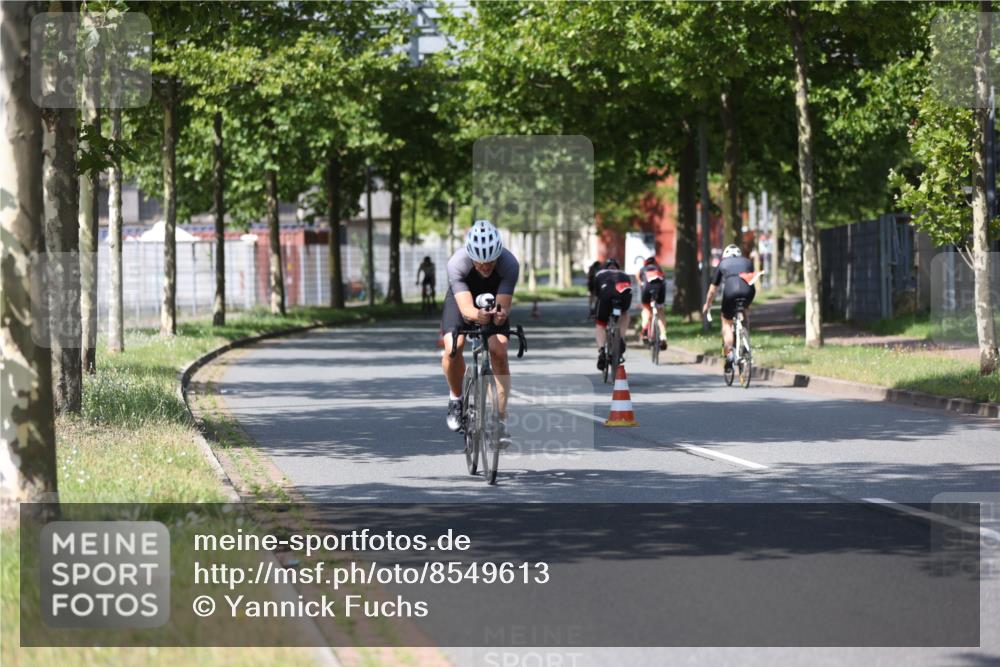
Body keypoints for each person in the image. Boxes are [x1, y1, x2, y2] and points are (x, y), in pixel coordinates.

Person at [441, 220, 520, 446]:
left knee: (499, 352)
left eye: (490, 262)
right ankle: (456, 398)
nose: (485, 267)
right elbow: (466, 309)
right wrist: (478, 316)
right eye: (480, 262)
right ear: (470, 255)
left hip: (493, 298)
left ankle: (499, 421)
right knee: (452, 348)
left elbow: (504, 305)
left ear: (498, 255)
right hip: (461, 300)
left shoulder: (509, 264)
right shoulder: (457, 263)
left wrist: (500, 315)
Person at [701, 244, 756, 371]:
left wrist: (707, 304)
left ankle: (730, 353)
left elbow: (713, 289)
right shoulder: (747, 262)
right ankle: (745, 340)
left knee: (726, 322)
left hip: (730, 292)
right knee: (744, 312)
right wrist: (749, 304)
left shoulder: (722, 264)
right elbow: (752, 279)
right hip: (748, 291)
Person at [592, 258, 633, 370]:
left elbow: (595, 295)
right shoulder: (624, 274)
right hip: (623, 296)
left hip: (605, 295)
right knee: (624, 314)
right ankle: (620, 338)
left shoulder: (600, 274)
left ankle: (601, 351)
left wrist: (593, 311)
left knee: (600, 324)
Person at [636, 255, 667, 350]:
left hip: (647, 289)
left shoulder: (642, 269)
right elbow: (663, 280)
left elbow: (640, 283)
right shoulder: (659, 269)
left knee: (646, 309)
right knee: (660, 311)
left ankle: (645, 327)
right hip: (660, 290)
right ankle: (663, 336)